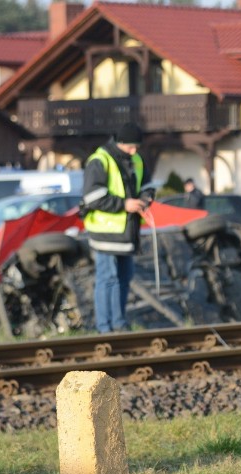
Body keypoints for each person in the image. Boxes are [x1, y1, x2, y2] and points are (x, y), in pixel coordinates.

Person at [80, 122, 152, 333]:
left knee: (124, 278)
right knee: (108, 279)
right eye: (131, 147)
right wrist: (125, 204)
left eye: (137, 147)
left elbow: (147, 186)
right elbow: (92, 197)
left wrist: (146, 199)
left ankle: (120, 324)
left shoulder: (136, 160)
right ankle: (105, 327)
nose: (135, 151)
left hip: (127, 233)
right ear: (120, 143)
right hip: (105, 233)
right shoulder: (99, 161)